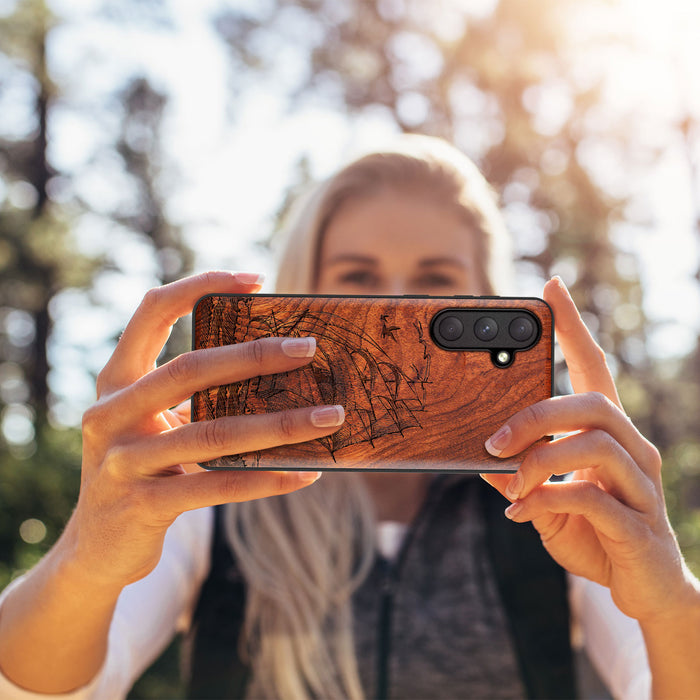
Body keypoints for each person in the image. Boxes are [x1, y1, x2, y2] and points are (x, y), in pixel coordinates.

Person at [0, 135, 699, 700]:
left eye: (435, 283)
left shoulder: (554, 504)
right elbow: (47, 687)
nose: (396, 312)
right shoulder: (211, 497)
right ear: (303, 292)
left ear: (488, 300)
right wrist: (87, 558)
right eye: (358, 280)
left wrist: (670, 602)